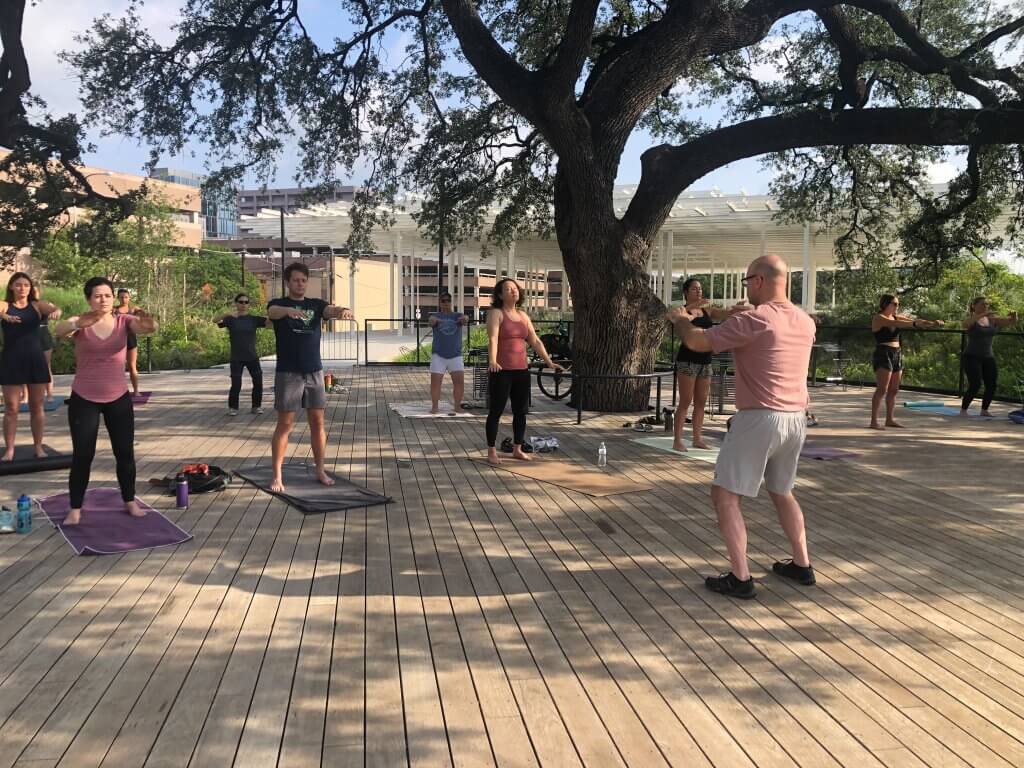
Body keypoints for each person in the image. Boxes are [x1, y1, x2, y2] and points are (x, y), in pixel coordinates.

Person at [673, 254, 817, 599]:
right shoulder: (804, 320)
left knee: (725, 494)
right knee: (782, 490)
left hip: (759, 419)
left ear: (758, 281)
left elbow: (696, 341)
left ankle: (740, 577)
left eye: (747, 282)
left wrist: (680, 319)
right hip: (796, 418)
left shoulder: (757, 318)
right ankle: (802, 564)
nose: (746, 290)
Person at [54, 277, 157, 525]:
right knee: (83, 454)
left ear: (113, 298)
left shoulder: (124, 321)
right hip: (84, 398)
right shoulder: (81, 323)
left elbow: (147, 328)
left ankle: (129, 500)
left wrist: (148, 321)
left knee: (124, 452)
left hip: (118, 398)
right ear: (89, 299)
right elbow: (58, 330)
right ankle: (75, 508)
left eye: (107, 295)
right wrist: (79, 322)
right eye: (98, 296)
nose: (103, 299)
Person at [267, 262, 354, 492]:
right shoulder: (279, 304)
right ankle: (277, 475)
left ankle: (320, 470)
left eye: (303, 280)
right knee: (285, 424)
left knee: (318, 422)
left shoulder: (315, 305)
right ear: (288, 282)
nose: (300, 284)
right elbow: (271, 313)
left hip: (314, 371)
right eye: (296, 280)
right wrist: (288, 311)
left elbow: (329, 310)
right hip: (288, 373)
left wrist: (341, 310)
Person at [485, 278, 563, 466]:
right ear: (500, 295)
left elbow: (535, 341)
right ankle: (491, 451)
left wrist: (549, 362)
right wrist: (492, 360)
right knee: (496, 411)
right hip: (502, 370)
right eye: (508, 289)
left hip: (521, 371)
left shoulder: (523, 316)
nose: (513, 291)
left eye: (515, 288)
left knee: (521, 412)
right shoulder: (496, 313)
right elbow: (493, 338)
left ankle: (517, 449)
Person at [666, 278, 747, 451]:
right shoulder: (682, 311)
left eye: (700, 289)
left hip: (705, 361)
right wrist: (691, 307)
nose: (698, 291)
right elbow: (671, 316)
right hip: (687, 360)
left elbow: (726, 314)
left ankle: (697, 438)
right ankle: (677, 440)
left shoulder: (706, 310)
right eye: (694, 289)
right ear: (686, 292)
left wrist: (736, 309)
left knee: (701, 402)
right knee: (685, 402)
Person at [0, 273, 61, 460]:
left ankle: (38, 447)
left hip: (35, 359)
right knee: (11, 407)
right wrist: (4, 316)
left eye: (26, 285)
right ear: (11, 287)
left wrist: (56, 310)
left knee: (37, 406)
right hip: (11, 359)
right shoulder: (5, 304)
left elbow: (54, 308)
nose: (23, 288)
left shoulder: (36, 305)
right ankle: (9, 449)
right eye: (18, 285)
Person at [870, 294, 944, 429]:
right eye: (895, 304)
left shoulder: (896, 317)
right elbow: (896, 324)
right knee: (882, 389)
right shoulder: (879, 318)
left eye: (898, 304)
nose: (897, 307)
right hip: (883, 353)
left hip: (897, 353)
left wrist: (932, 323)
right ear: (886, 304)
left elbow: (914, 320)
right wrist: (914, 324)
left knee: (894, 389)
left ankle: (889, 419)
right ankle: (874, 421)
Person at [960, 297, 1018, 417]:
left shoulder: (992, 320)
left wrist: (1014, 316)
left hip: (988, 356)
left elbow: (1011, 322)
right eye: (982, 304)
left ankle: (984, 410)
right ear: (974, 306)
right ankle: (963, 410)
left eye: (986, 304)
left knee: (992, 384)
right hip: (971, 356)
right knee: (975, 384)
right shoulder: (973, 320)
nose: (985, 306)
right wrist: (983, 314)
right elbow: (965, 324)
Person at [217, 293, 270, 415]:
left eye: (246, 302)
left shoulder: (253, 319)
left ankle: (256, 406)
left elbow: (270, 323)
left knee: (258, 382)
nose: (243, 304)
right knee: (236, 384)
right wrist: (227, 314)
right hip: (237, 357)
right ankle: (233, 408)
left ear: (249, 304)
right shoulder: (230, 319)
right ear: (236, 303)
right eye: (241, 302)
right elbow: (216, 321)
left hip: (252, 356)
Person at [428, 291, 468, 413]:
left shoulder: (457, 315)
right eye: (443, 301)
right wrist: (435, 321)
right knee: (435, 383)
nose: (446, 303)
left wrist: (464, 319)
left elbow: (465, 319)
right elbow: (431, 320)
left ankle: (457, 406)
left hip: (455, 355)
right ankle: (435, 406)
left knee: (459, 382)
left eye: (448, 300)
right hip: (438, 355)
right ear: (440, 303)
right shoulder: (436, 315)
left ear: (451, 302)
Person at [116, 288, 142, 396]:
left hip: (130, 339)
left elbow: (143, 319)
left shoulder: (134, 309)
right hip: (117, 340)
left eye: (126, 297)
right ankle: (118, 391)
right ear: (118, 298)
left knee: (132, 366)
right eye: (121, 297)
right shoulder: (113, 310)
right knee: (117, 367)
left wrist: (137, 315)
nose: (124, 299)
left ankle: (136, 390)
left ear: (129, 298)